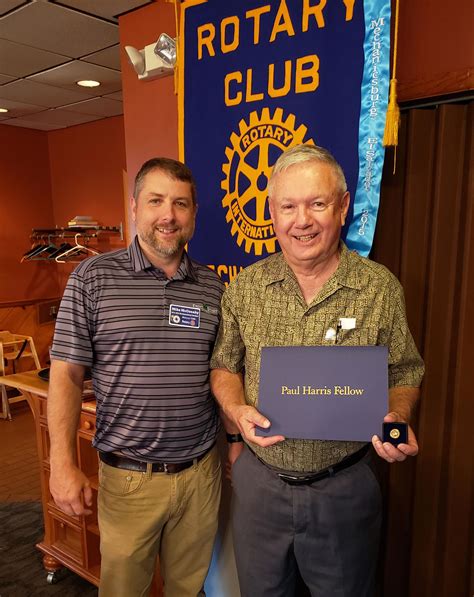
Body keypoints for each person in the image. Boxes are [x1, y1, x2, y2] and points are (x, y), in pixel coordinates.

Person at [210, 144, 424, 597]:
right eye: (288, 206)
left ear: (343, 207)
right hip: (260, 487)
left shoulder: (379, 288)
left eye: (317, 204)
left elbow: (404, 370)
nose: (301, 220)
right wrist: (236, 409)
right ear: (272, 213)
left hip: (343, 490)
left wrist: (397, 417)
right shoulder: (246, 287)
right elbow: (225, 364)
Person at [48, 157, 224, 597]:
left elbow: (223, 373)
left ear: (194, 215)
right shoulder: (92, 279)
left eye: (181, 204)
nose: (169, 215)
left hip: (200, 475)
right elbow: (66, 376)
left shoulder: (212, 288)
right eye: (156, 201)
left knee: (189, 588)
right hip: (129, 480)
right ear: (134, 207)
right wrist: (63, 463)